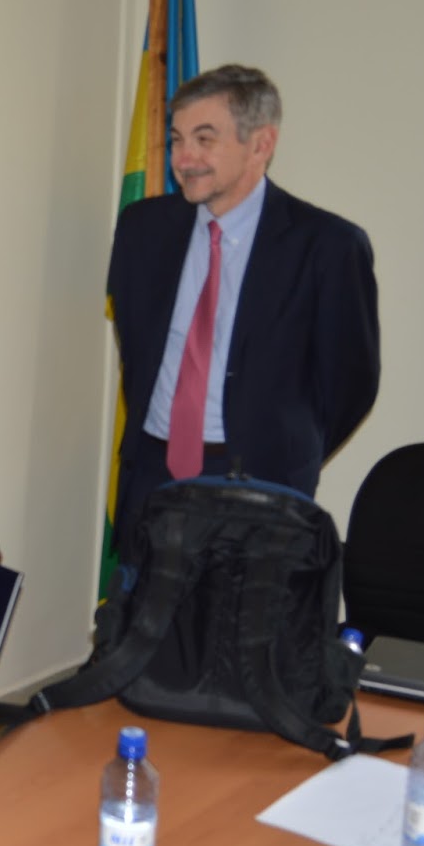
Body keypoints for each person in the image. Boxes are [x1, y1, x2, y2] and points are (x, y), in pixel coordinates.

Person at [107, 63, 379, 537]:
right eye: (177, 139)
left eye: (205, 139)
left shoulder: (328, 247)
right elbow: (135, 344)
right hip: (152, 475)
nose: (184, 158)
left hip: (261, 489)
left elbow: (350, 383)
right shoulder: (142, 228)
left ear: (261, 144)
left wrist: (283, 455)